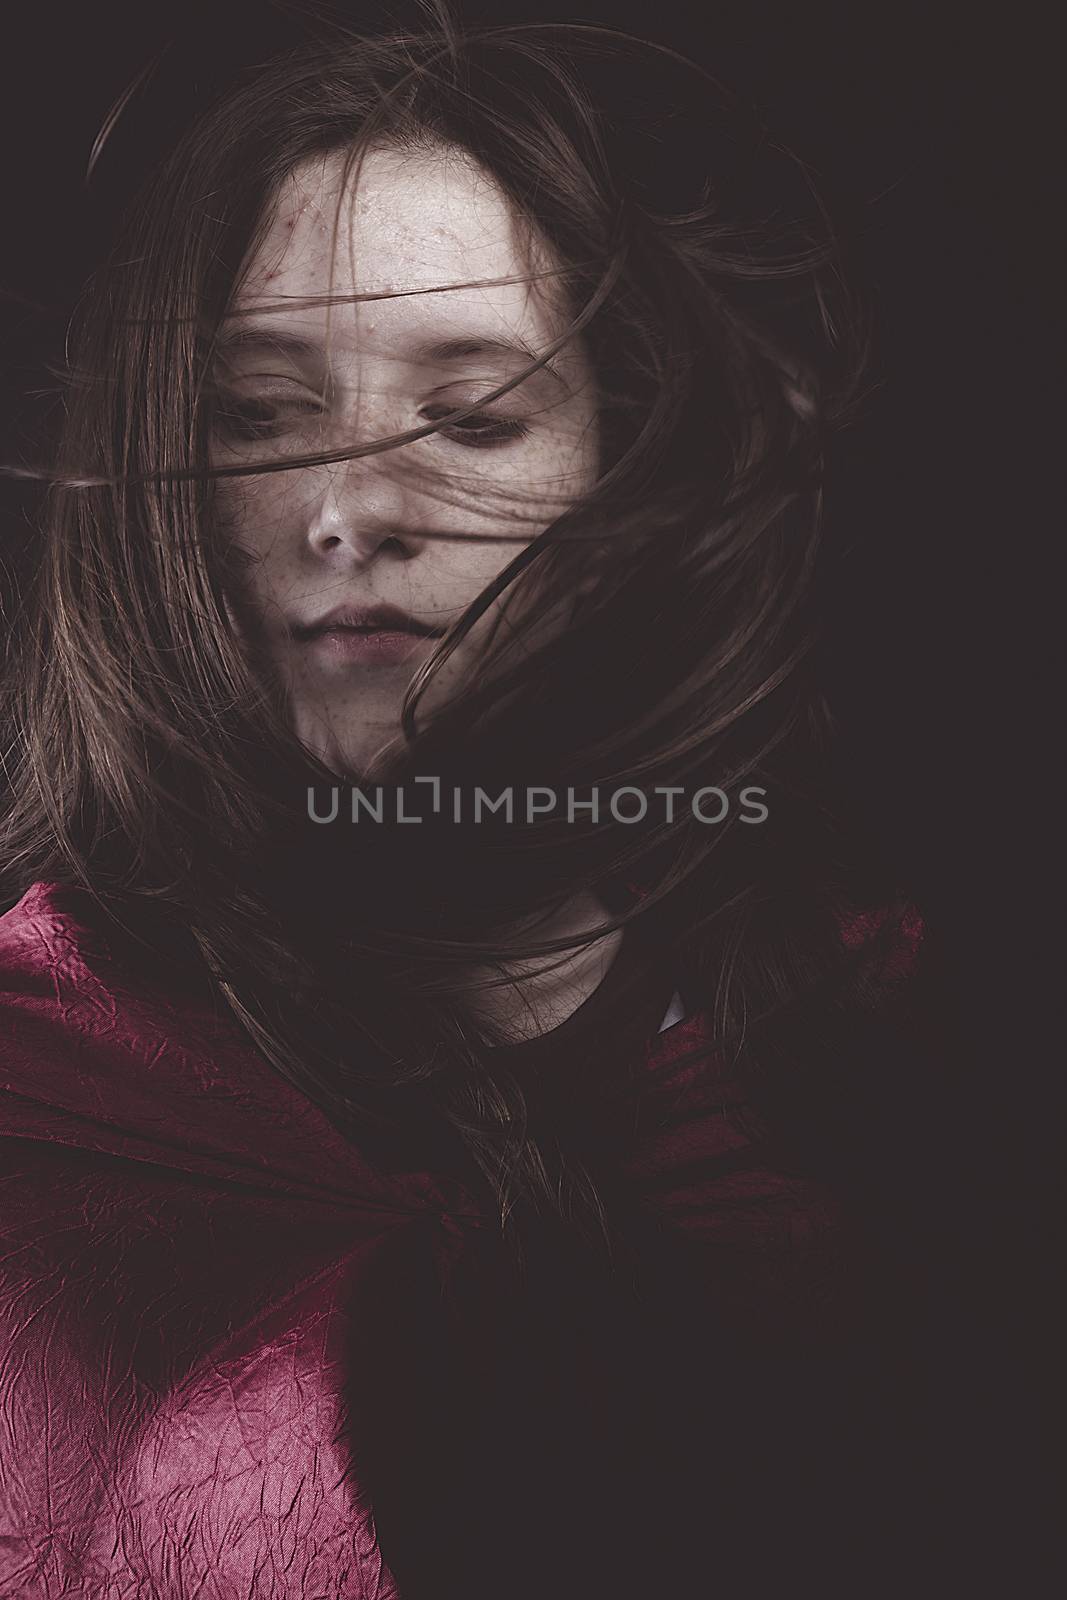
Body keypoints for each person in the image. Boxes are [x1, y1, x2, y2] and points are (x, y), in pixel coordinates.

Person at [0, 13, 936, 1598]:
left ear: (631, 460)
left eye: (475, 417)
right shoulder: (36, 1072)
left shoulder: (896, 1051)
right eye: (263, 415)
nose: (352, 507)